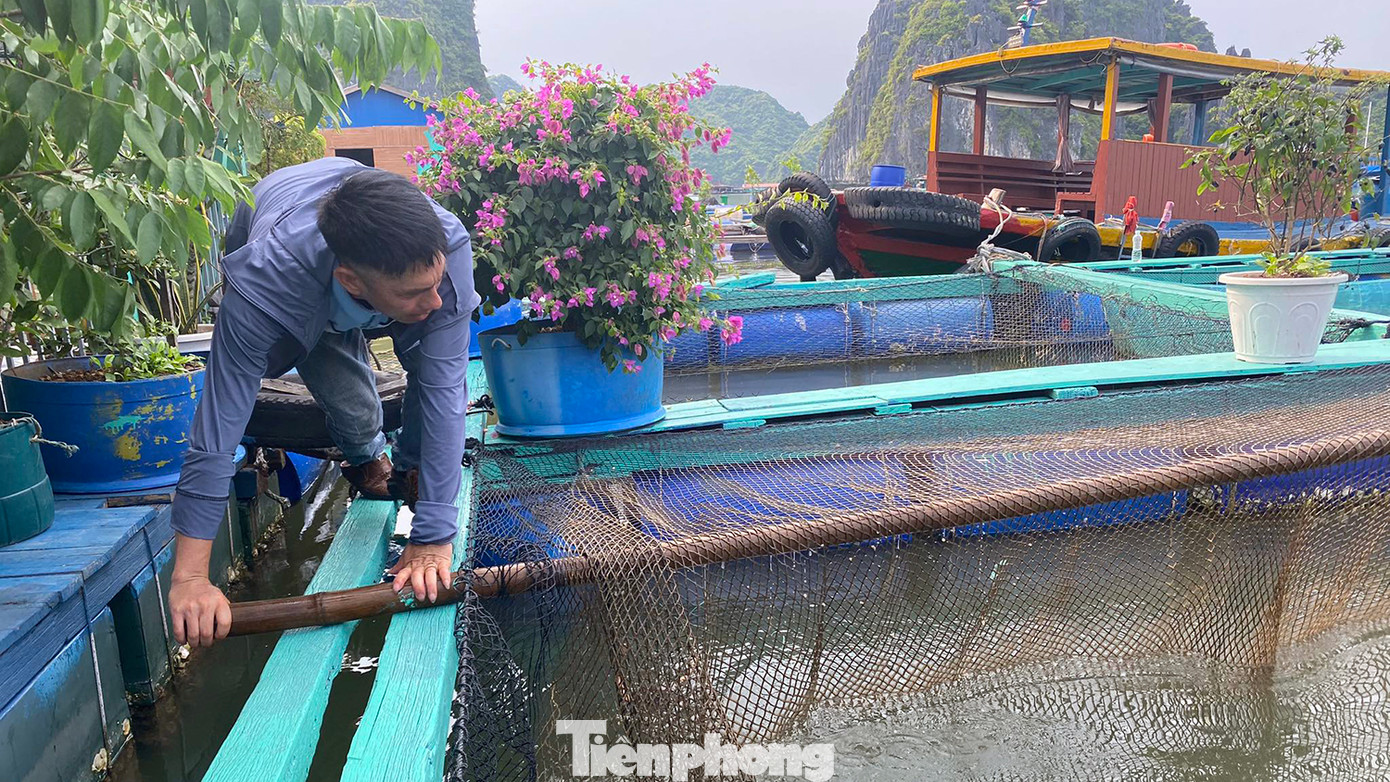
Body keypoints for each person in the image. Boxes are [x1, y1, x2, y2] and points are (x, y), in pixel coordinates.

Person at [167, 157, 481, 648]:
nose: (437, 301)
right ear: (353, 282)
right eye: (416, 292)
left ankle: (410, 472)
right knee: (340, 382)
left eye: (435, 283)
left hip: (348, 237)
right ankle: (363, 456)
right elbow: (218, 428)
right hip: (288, 250)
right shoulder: (266, 285)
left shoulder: (446, 247)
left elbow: (444, 391)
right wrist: (189, 579)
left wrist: (434, 536)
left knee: (429, 360)